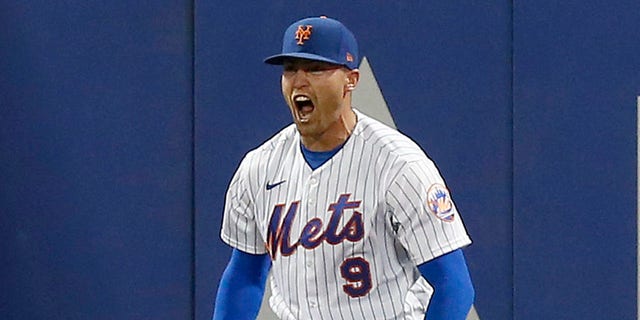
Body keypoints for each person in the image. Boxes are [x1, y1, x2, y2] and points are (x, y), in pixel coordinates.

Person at [213, 16, 474, 320]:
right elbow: (244, 276)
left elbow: (454, 285)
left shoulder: (400, 165)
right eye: (290, 69)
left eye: (316, 69)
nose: (299, 80)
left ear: (351, 80)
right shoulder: (259, 167)